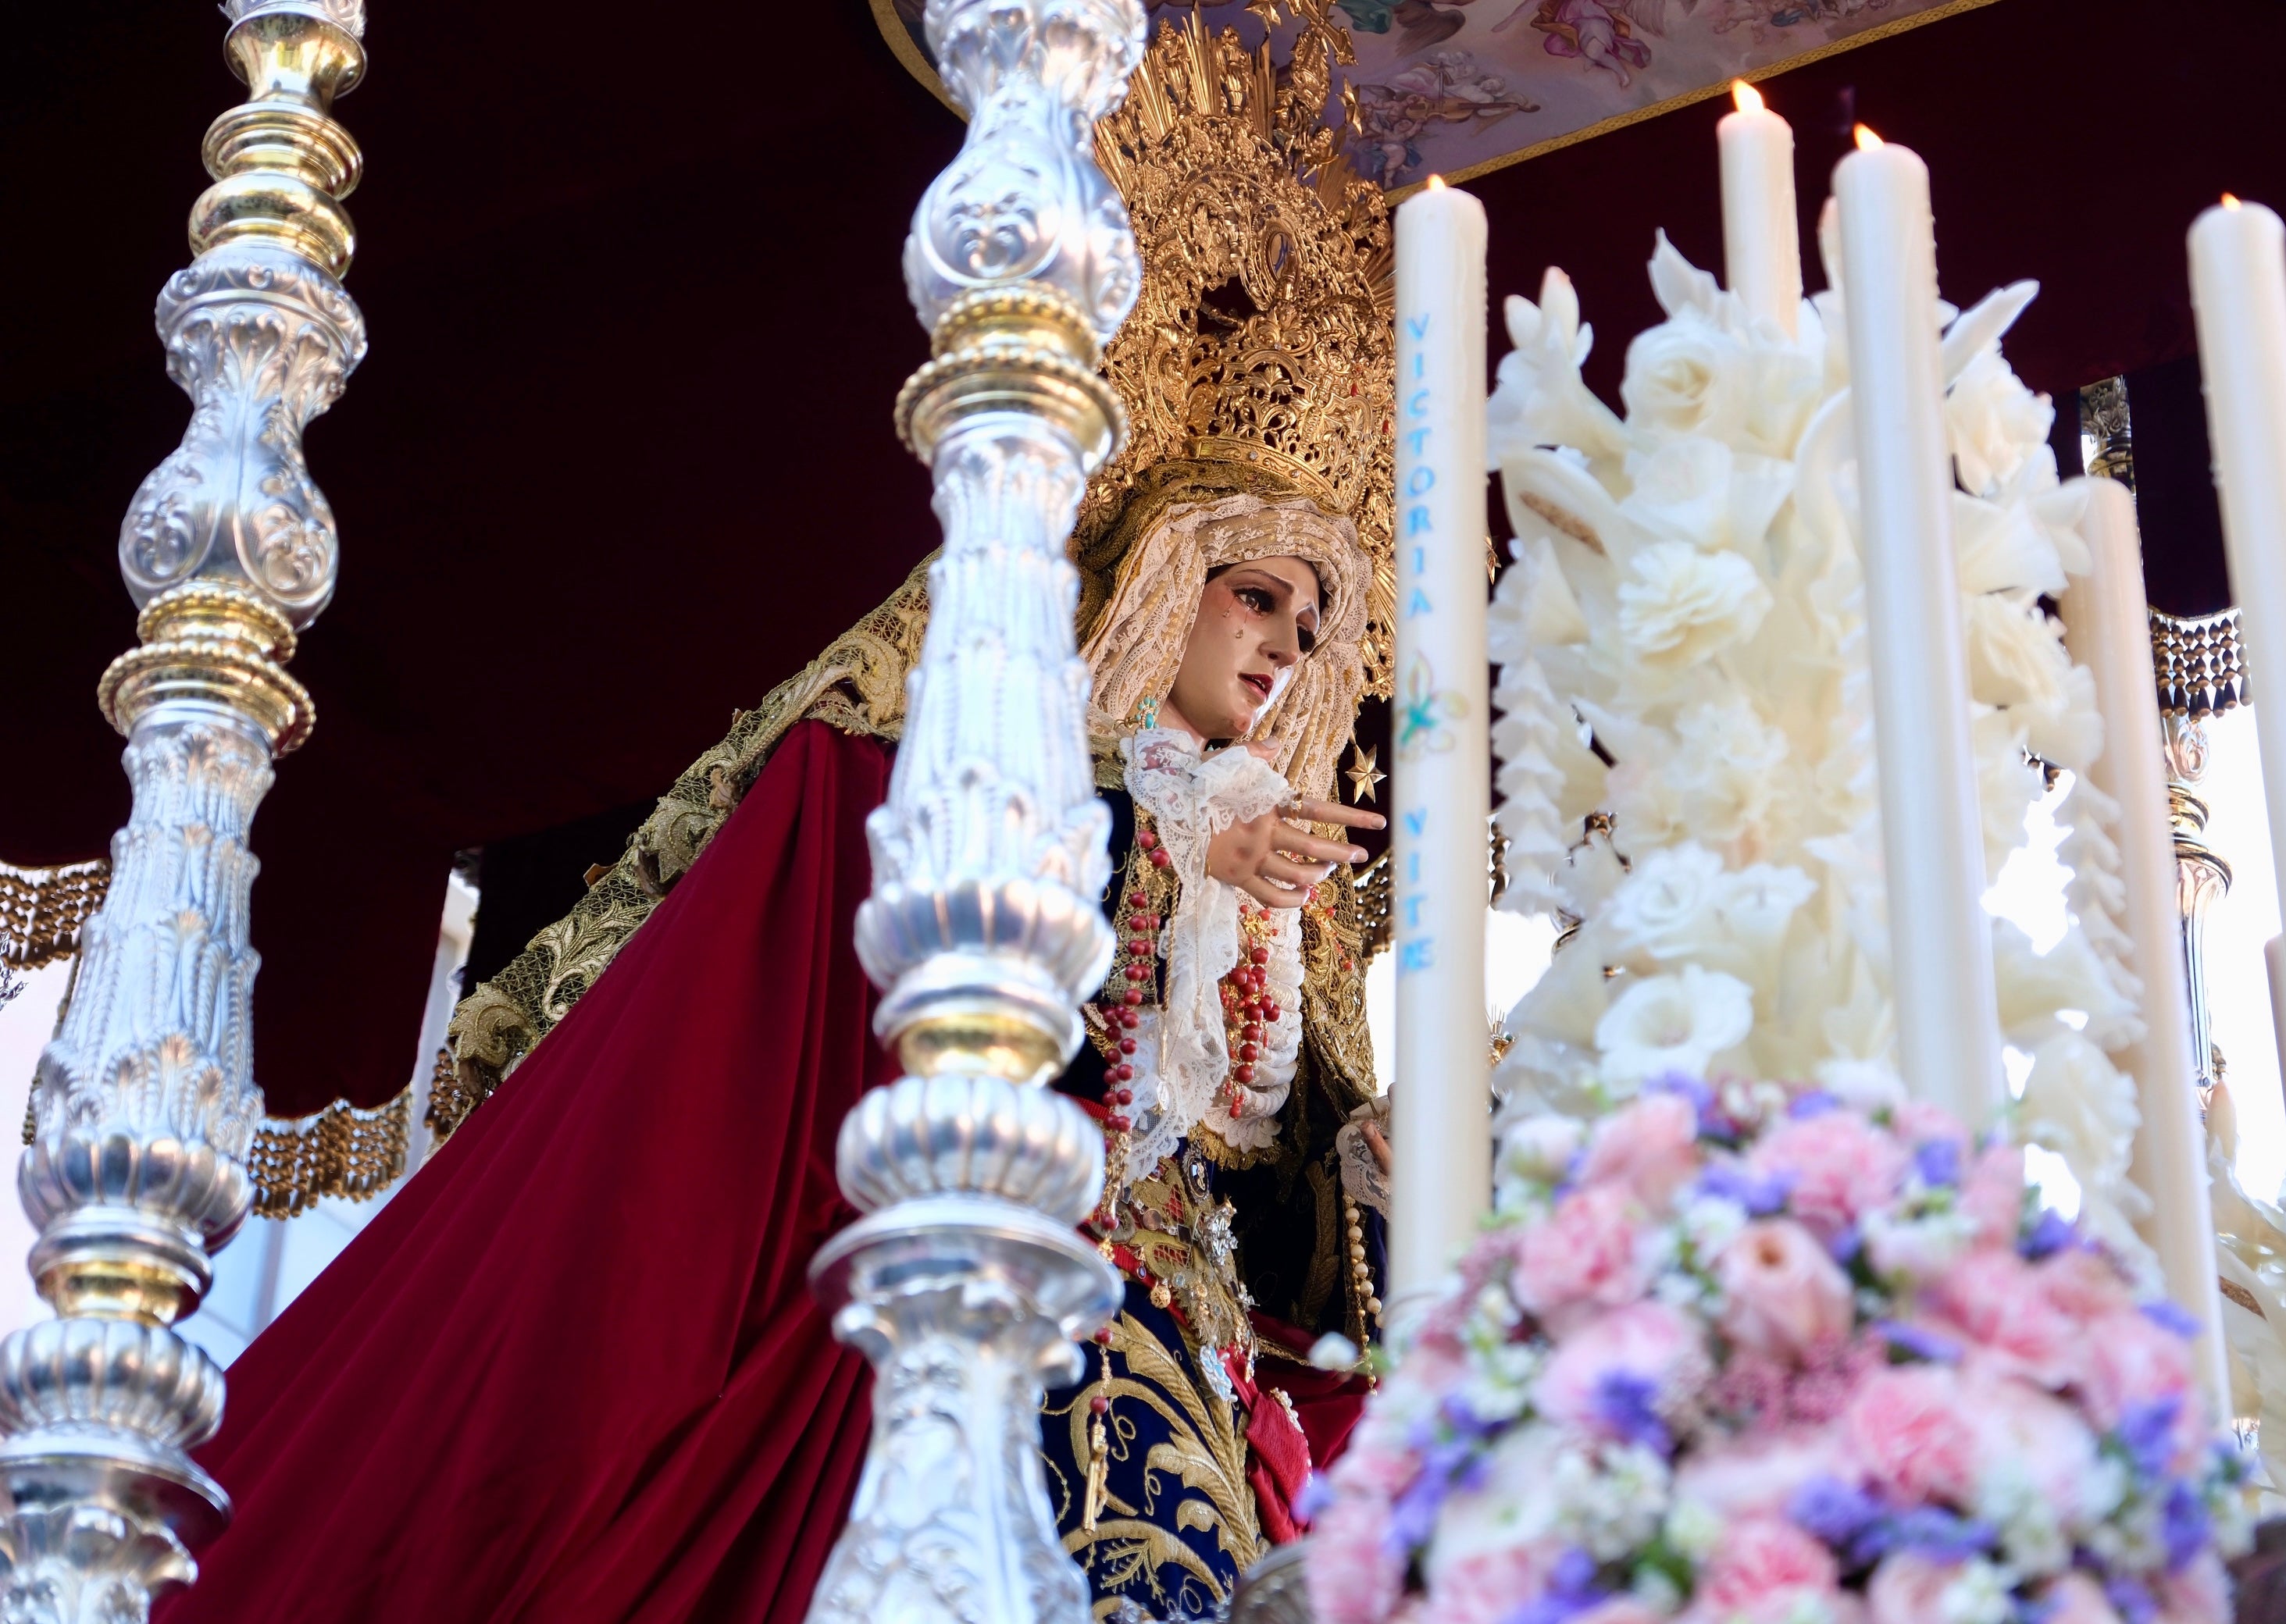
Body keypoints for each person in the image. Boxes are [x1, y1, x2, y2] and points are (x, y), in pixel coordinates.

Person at [162, 11, 1399, 1622]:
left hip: (1186, 1348)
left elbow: (1291, 1235)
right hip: (979, 1287)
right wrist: (1166, 849)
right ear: (1163, 577)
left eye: (1311, 628)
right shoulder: (969, 756)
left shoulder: (1268, 863)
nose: (1283, 646)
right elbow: (887, 944)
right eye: (1257, 594)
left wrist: (1361, 1135)